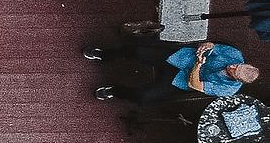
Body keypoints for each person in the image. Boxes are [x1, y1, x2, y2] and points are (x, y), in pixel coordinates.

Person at [90, 39, 258, 105]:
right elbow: (213, 45)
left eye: (234, 71)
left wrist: (198, 65)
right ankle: (104, 55)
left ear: (237, 80)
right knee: (137, 50)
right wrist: (206, 46)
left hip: (180, 79)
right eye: (237, 65)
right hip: (180, 57)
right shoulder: (236, 55)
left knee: (143, 97)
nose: (233, 66)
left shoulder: (228, 89)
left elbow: (195, 84)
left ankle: (114, 90)